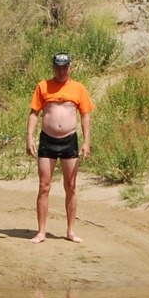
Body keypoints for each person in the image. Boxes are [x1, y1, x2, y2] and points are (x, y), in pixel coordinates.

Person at [26, 53, 94, 244]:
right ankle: (41, 232)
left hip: (69, 140)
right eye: (58, 67)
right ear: (53, 67)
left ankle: (70, 231)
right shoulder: (43, 86)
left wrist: (86, 142)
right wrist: (29, 138)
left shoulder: (78, 88)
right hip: (47, 140)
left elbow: (85, 116)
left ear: (70, 67)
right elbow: (34, 113)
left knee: (71, 186)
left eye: (65, 67)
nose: (61, 70)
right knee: (44, 186)